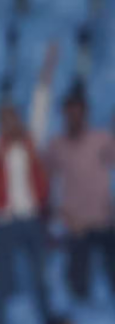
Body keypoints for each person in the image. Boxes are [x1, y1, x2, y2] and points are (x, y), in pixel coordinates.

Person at [0, 48, 54, 324]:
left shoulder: (32, 141)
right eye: (4, 119)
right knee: (2, 279)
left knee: (39, 277)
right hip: (4, 221)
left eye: (13, 118)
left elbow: (41, 106)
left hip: (32, 218)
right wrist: (2, 142)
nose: (10, 123)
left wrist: (46, 73)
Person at [46, 85, 115, 302]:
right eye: (69, 112)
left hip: (105, 220)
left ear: (85, 113)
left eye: (78, 112)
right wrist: (59, 215)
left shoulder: (101, 139)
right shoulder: (56, 146)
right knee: (78, 284)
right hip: (76, 224)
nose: (74, 117)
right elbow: (44, 181)